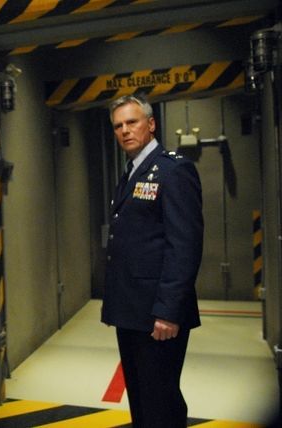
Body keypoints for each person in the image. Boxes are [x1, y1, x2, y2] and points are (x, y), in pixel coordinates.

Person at [101, 95, 203, 427]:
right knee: (142, 401)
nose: (125, 130)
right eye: (118, 125)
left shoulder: (173, 170)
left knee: (161, 403)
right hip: (132, 312)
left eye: (132, 122)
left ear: (151, 124)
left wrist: (169, 310)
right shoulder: (132, 171)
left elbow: (184, 245)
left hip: (158, 315)